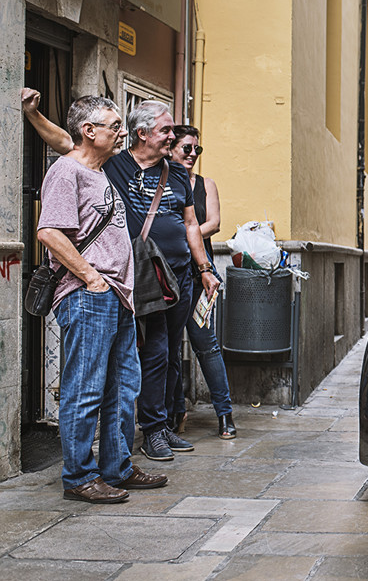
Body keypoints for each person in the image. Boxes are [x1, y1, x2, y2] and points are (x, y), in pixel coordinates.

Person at [22, 92, 220, 462]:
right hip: (107, 286)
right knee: (95, 384)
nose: (173, 138)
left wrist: (204, 269)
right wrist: (32, 114)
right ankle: (84, 471)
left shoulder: (159, 171)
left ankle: (134, 450)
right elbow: (66, 147)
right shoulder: (98, 165)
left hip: (156, 282)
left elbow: (192, 223)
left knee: (142, 370)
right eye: (166, 130)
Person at [32, 92, 168, 502]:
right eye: (113, 126)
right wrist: (91, 277)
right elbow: (49, 232)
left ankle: (116, 468)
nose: (122, 132)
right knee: (85, 390)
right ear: (88, 132)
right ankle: (78, 477)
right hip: (89, 295)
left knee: (124, 389)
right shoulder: (66, 172)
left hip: (117, 298)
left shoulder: (100, 172)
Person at [169, 125, 236, 439]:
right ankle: (172, 415)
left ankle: (225, 415)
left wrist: (184, 231)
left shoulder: (205, 184)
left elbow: (214, 223)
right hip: (166, 277)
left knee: (206, 346)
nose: (192, 154)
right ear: (171, 148)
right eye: (186, 148)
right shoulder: (161, 182)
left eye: (197, 149)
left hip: (200, 276)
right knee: (165, 349)